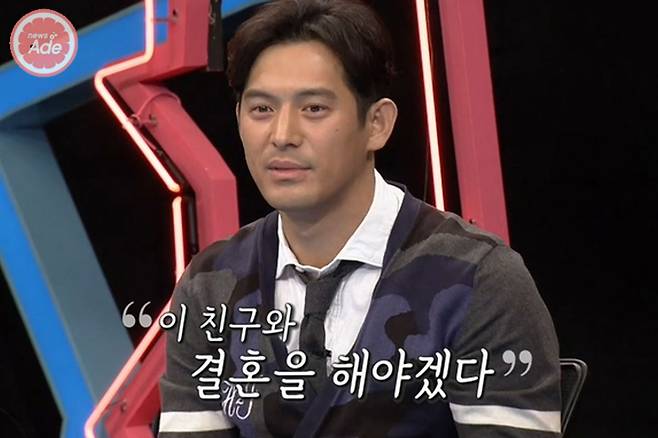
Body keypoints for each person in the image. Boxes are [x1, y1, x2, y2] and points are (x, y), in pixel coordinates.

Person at [158, 0, 562, 437]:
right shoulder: (209, 284)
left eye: (314, 108)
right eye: (262, 110)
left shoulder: (478, 278)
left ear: (377, 124)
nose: (282, 135)